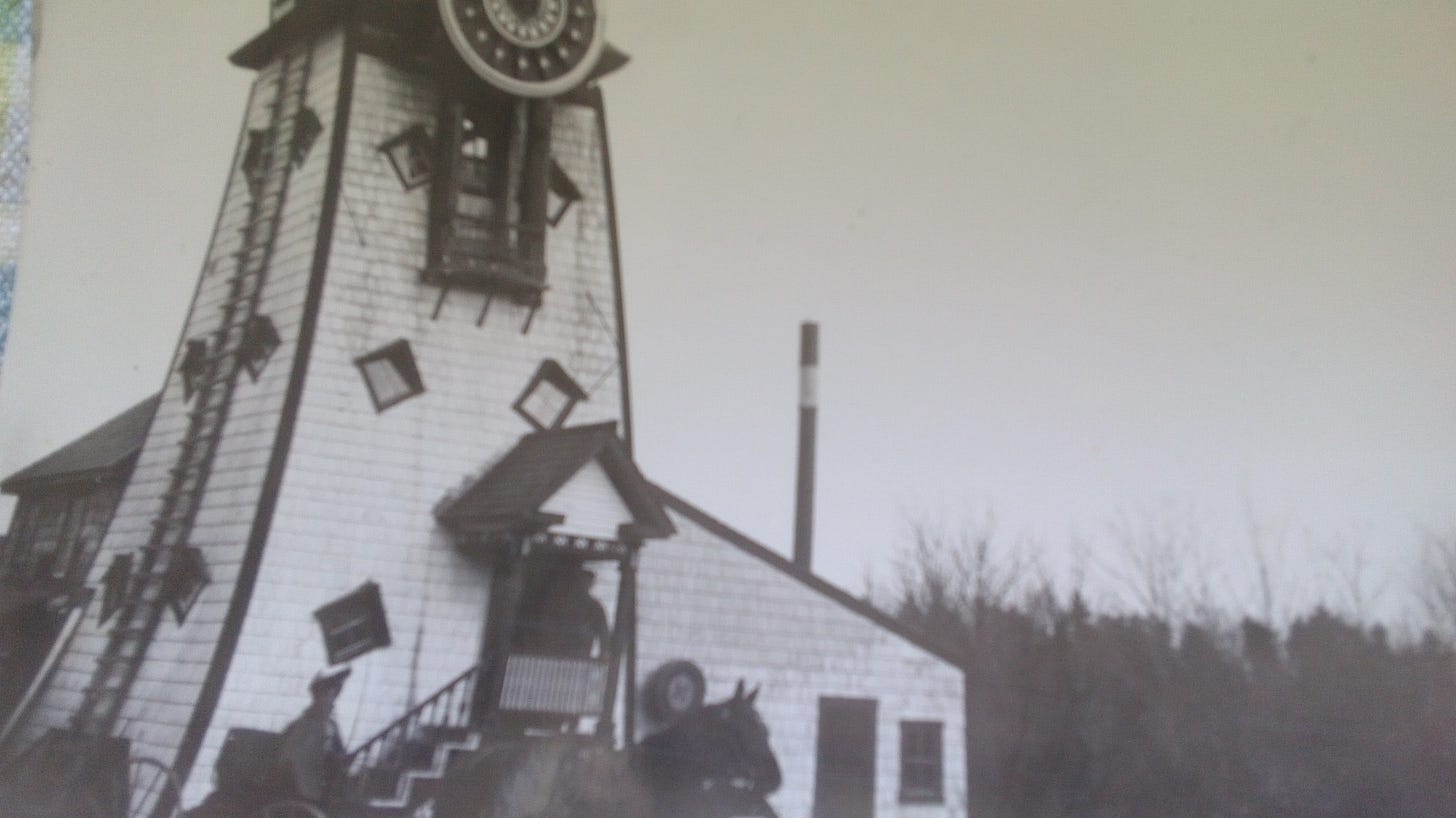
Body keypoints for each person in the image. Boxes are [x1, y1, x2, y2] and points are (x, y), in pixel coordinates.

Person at [281, 667, 350, 806]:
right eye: (325, 694)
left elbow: (339, 752)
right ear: (317, 695)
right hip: (303, 783)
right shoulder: (303, 724)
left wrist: (339, 759)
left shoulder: (331, 726)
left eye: (333, 694)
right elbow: (291, 756)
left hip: (323, 781)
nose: (330, 699)